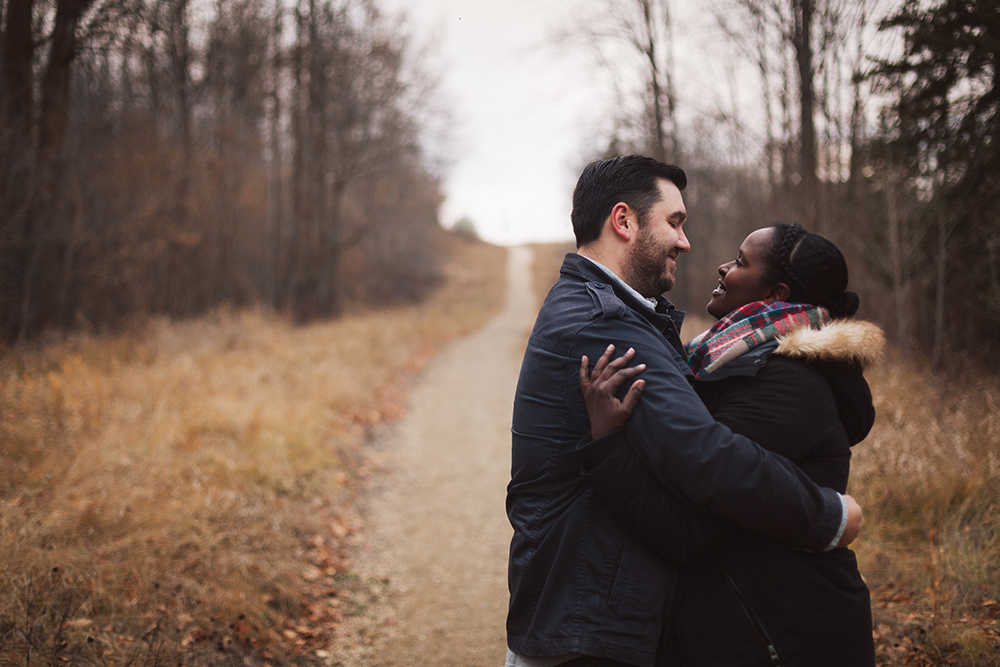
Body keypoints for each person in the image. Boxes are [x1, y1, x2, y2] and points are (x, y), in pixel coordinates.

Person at [505, 155, 863, 667]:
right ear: (624, 221)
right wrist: (829, 515)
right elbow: (704, 452)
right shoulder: (605, 323)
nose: (686, 242)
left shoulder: (610, 313)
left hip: (587, 621)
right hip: (584, 628)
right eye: (674, 222)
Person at [579, 223, 884, 666]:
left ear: (776, 295)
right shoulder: (726, 362)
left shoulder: (787, 386)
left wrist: (607, 443)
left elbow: (684, 531)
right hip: (748, 625)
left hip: (786, 633)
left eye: (741, 261)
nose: (724, 266)